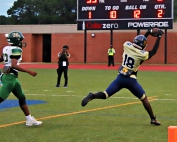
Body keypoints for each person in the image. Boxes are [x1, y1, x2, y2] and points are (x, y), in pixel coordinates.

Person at [81, 28, 164, 125]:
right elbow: (153, 51)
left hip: (120, 78)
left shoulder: (126, 45)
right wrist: (159, 37)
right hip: (131, 80)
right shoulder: (143, 55)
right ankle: (153, 119)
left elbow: (138, 43)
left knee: (105, 94)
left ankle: (93, 96)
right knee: (144, 98)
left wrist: (147, 33)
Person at [0, 31, 42, 126]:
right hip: (9, 78)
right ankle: (29, 119)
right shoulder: (16, 49)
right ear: (17, 40)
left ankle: (29, 119)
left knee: (22, 97)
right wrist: (29, 71)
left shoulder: (6, 48)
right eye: (21, 40)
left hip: (11, 77)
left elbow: (2, 58)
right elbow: (14, 65)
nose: (22, 42)